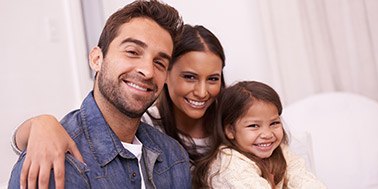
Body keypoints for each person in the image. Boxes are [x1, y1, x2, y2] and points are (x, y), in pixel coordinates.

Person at [11, 23, 226, 187]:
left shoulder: (175, 154)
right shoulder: (66, 159)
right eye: (132, 52)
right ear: (97, 58)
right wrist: (39, 123)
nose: (201, 91)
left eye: (159, 62)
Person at [192, 81, 326, 188]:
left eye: (274, 123)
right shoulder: (230, 165)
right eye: (254, 126)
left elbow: (303, 178)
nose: (267, 134)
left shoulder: (281, 151)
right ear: (230, 131)